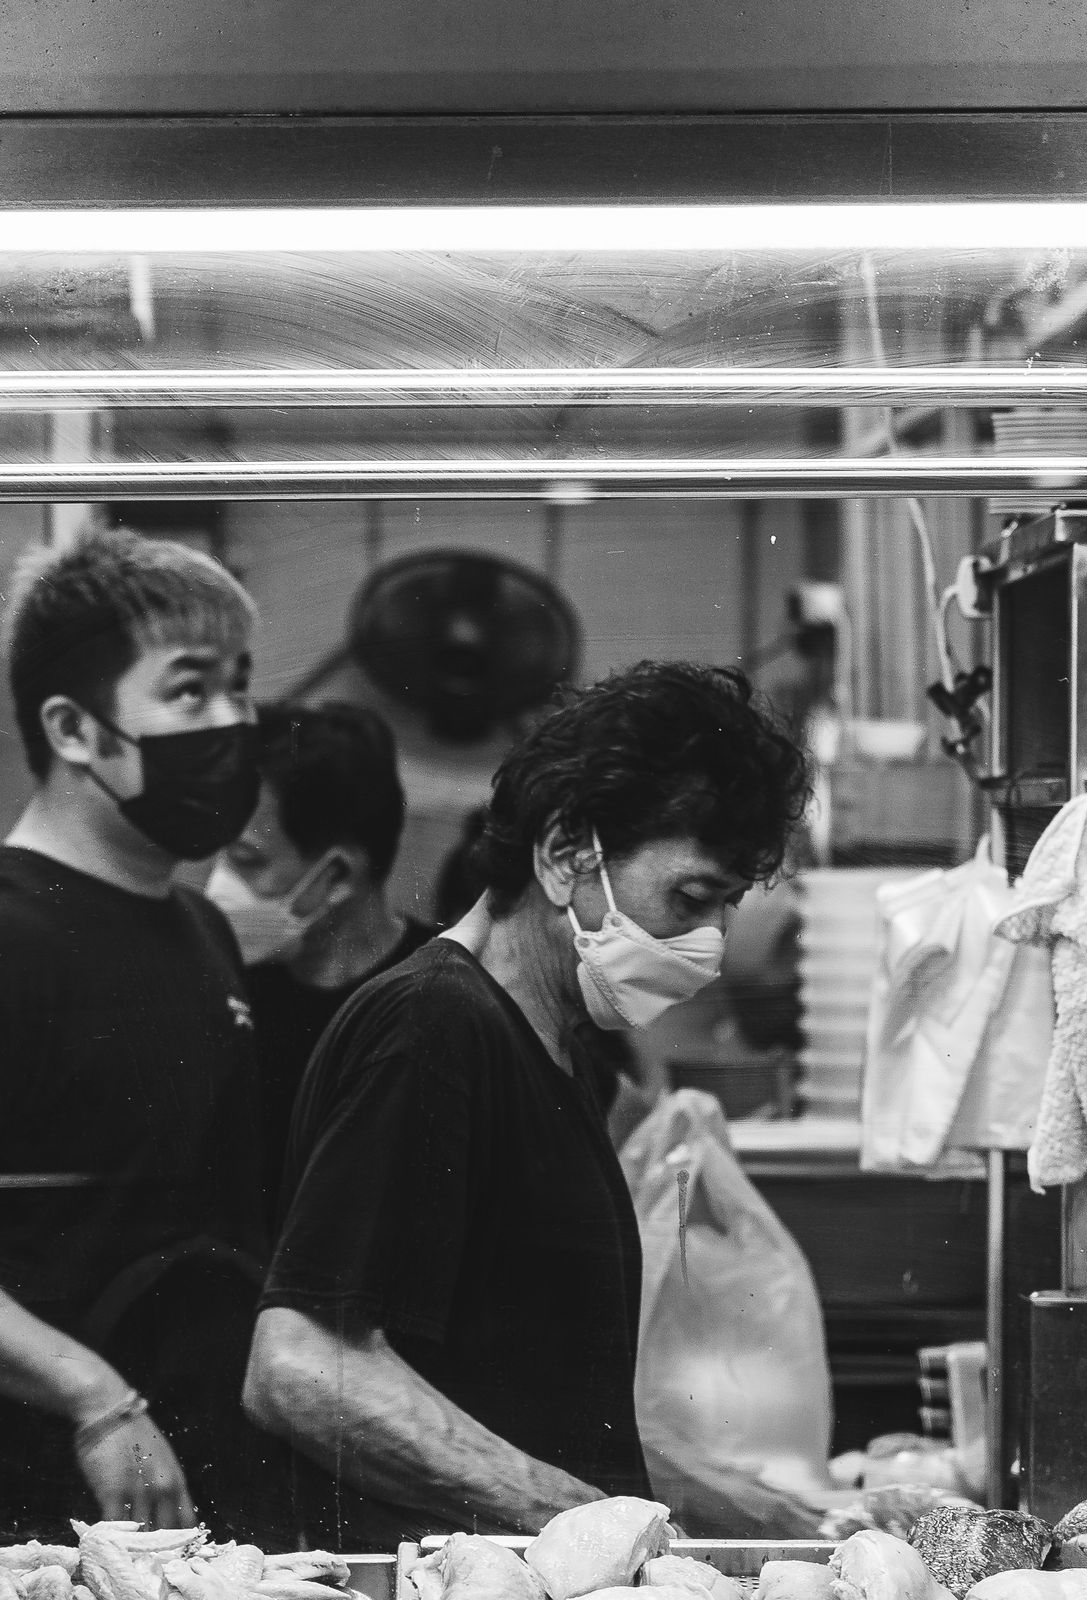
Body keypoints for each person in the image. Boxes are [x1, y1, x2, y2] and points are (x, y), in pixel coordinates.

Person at [243, 661, 818, 1543]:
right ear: (562, 854)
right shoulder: (432, 1029)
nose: (704, 945)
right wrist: (586, 1523)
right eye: (691, 898)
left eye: (724, 909)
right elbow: (302, 1363)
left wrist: (770, 1517)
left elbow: (550, 1410)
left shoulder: (557, 1049)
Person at [0, 527, 267, 1534]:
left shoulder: (201, 928)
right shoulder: (9, 930)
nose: (235, 719)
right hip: (43, 1504)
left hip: (198, 1494)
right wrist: (93, 1398)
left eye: (241, 686)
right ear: (74, 728)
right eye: (190, 690)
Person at [206, 701, 436, 1219]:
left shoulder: (443, 1001)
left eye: (246, 860)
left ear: (337, 877)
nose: (217, 887)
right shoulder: (224, 990)